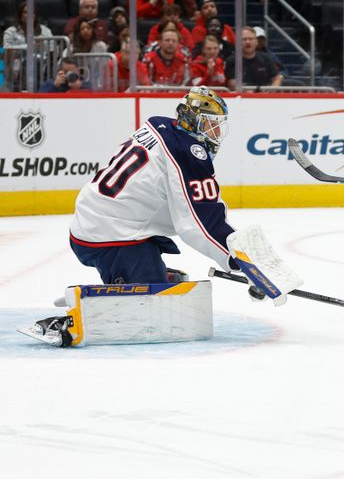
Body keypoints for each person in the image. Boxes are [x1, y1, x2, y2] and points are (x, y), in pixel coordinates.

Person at [28, 87, 302, 347]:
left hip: (100, 221)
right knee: (152, 310)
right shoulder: (189, 152)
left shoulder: (159, 124)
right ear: (192, 120)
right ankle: (81, 315)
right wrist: (240, 262)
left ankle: (126, 281)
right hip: (112, 235)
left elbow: (167, 197)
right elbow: (200, 223)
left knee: (165, 287)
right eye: (210, 124)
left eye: (218, 125)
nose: (216, 132)